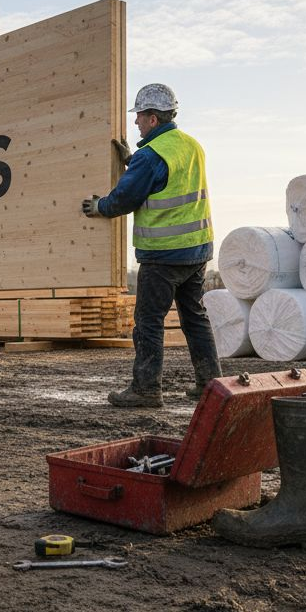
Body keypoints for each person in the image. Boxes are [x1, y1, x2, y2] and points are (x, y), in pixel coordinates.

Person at [82, 83, 222, 407]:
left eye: (140, 116)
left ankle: (145, 390)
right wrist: (133, 161)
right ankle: (211, 384)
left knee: (148, 322)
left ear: (153, 119)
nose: (136, 122)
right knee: (195, 318)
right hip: (197, 250)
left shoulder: (150, 156)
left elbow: (125, 198)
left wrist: (100, 206)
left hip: (163, 255)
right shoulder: (191, 145)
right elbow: (168, 178)